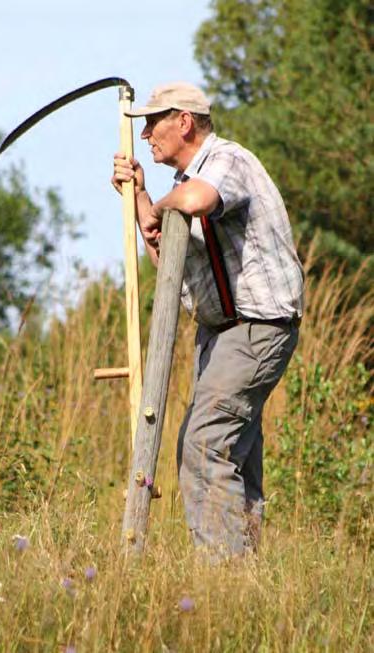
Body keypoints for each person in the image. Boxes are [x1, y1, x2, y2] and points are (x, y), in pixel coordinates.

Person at [111, 82, 304, 559]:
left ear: (185, 122)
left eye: (154, 123)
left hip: (257, 326)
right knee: (234, 455)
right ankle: (248, 579)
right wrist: (140, 198)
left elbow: (197, 201)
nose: (147, 134)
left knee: (204, 444)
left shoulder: (226, 162)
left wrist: (159, 205)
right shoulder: (180, 187)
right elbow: (173, 263)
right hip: (220, 335)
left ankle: (223, 575)